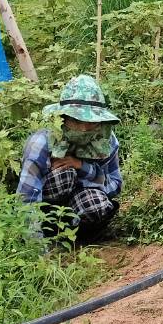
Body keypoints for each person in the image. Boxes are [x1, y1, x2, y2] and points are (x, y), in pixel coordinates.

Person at [18, 74, 123, 241]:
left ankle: (81, 237)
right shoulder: (41, 143)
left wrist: (82, 167)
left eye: (90, 122)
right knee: (64, 176)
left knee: (97, 205)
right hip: (47, 212)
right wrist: (35, 247)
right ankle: (49, 235)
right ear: (63, 118)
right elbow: (27, 197)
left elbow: (115, 185)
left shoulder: (106, 142)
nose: (83, 128)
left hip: (81, 207)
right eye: (76, 120)